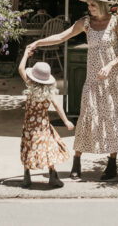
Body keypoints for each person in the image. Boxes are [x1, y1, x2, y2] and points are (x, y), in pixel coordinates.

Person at [27, 0, 118, 181]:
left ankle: (112, 163)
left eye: (93, 4)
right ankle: (76, 161)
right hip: (94, 79)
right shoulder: (86, 23)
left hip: (114, 78)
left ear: (104, 5)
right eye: (88, 4)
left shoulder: (116, 23)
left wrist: (111, 65)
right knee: (86, 116)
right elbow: (62, 36)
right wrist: (38, 43)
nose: (90, 8)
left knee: (112, 119)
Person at [18, 47, 74, 189]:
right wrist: (66, 121)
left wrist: (25, 54)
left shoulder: (30, 87)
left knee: (28, 148)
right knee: (49, 148)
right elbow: (58, 107)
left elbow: (20, 68)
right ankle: (52, 175)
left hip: (29, 127)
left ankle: (26, 176)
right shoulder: (49, 93)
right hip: (43, 126)